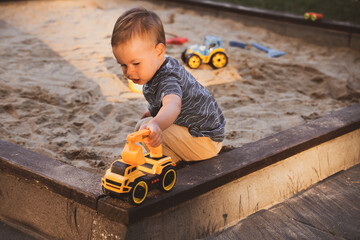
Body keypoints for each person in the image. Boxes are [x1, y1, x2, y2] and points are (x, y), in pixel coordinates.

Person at [111, 7, 225, 163]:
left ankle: (165, 161)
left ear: (158, 51)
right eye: (123, 65)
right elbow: (161, 98)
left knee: (145, 129)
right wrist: (151, 110)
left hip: (204, 141)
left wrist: (156, 123)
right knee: (145, 124)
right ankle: (172, 159)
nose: (129, 72)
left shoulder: (168, 78)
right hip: (201, 133)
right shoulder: (160, 66)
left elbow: (172, 105)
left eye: (136, 63)